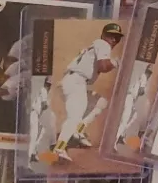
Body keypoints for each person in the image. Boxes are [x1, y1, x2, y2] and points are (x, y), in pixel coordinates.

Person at [48, 23, 125, 163]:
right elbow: (103, 66)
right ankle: (59, 148)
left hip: (74, 82)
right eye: (111, 36)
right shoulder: (103, 44)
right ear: (104, 35)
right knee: (74, 117)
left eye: (117, 37)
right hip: (76, 82)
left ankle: (77, 131)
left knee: (100, 103)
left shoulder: (95, 46)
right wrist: (115, 62)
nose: (114, 40)